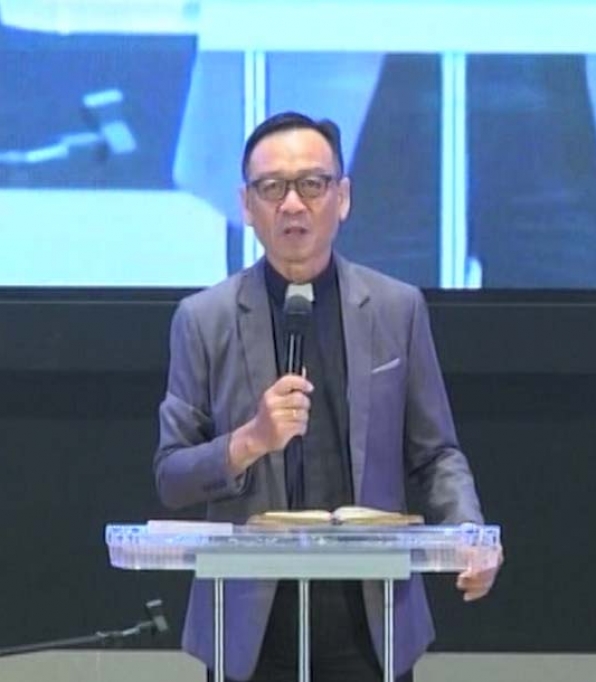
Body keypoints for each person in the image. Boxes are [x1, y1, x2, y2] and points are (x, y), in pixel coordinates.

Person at [154, 111, 502, 682]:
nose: (293, 204)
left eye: (312, 184)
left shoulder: (397, 309)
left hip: (370, 620)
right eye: (272, 188)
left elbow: (436, 453)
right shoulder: (203, 319)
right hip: (249, 628)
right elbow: (172, 476)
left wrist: (470, 531)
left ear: (343, 198)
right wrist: (249, 441)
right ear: (246, 206)